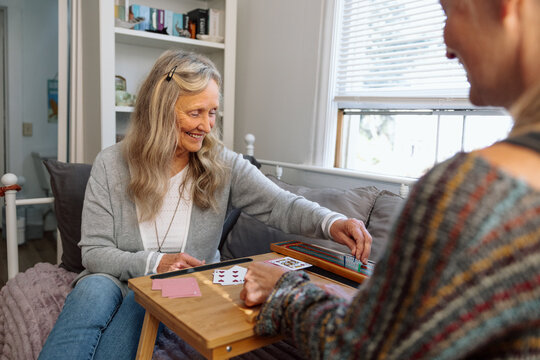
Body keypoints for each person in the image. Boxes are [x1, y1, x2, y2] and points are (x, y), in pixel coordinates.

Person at [240, 0, 540, 358]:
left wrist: (285, 289)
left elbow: (359, 350)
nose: (445, 47)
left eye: (449, 12)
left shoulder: (474, 193)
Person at [38, 49, 372, 359]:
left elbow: (281, 205)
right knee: (92, 288)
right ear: (160, 111)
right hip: (113, 277)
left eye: (212, 112)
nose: (207, 125)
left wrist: (332, 222)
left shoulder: (223, 165)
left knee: (146, 300)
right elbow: (94, 253)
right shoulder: (111, 164)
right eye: (195, 112)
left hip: (178, 289)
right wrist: (156, 263)